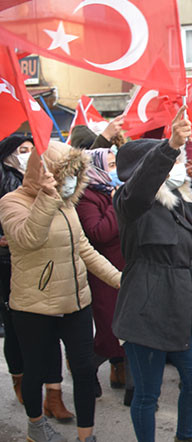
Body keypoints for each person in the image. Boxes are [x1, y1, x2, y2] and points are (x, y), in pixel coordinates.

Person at [0, 141, 122, 442]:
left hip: (75, 301)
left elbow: (85, 250)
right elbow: (28, 238)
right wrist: (47, 197)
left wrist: (120, 279)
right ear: (45, 173)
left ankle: (86, 436)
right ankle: (36, 427)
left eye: (74, 175)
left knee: (82, 370)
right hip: (33, 306)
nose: (69, 181)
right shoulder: (12, 202)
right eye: (64, 174)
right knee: (36, 371)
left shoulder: (68, 204)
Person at [112, 107, 192, 442]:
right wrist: (168, 148)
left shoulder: (178, 204)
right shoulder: (130, 203)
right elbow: (140, 189)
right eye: (172, 162)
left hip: (182, 305)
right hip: (146, 308)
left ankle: (185, 436)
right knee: (147, 394)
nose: (178, 166)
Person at [0, 136, 74, 420]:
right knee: (18, 330)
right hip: (10, 262)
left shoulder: (44, 175)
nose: (27, 155)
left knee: (52, 326)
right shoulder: (5, 180)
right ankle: (20, 378)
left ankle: (54, 395)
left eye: (31, 150)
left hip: (47, 258)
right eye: (21, 150)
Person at [75, 148, 127, 399]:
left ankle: (122, 373)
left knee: (126, 327)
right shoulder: (86, 197)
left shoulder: (115, 190)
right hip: (103, 274)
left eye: (117, 163)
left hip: (125, 268)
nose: (115, 170)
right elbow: (98, 233)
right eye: (111, 164)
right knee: (108, 330)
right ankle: (86, 371)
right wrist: (117, 204)